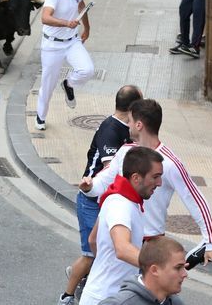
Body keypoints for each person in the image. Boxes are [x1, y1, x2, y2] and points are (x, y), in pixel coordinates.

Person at [85, 99, 212, 273]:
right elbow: (105, 180)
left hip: (150, 244)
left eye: (130, 121)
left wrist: (210, 241)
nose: (128, 125)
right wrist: (90, 187)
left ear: (139, 125)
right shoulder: (125, 151)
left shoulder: (170, 163)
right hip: (122, 238)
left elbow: (195, 199)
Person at [57, 85, 143, 305]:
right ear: (133, 107)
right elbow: (112, 171)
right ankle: (66, 296)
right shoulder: (111, 130)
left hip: (105, 201)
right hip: (91, 201)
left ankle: (85, 281)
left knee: (101, 253)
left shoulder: (128, 128)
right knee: (91, 254)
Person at [78, 146, 164, 305]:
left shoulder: (122, 199)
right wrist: (159, 268)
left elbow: (93, 240)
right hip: (105, 298)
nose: (159, 183)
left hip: (105, 295)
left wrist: (107, 267)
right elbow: (123, 249)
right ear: (136, 178)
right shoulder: (121, 205)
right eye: (155, 177)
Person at [35, 0, 94, 130]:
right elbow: (45, 18)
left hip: (72, 41)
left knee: (87, 69)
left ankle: (69, 84)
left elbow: (82, 8)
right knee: (48, 84)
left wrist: (87, 29)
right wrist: (66, 23)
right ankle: (40, 116)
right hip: (52, 45)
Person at [98, 236, 187, 305]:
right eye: (178, 268)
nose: (184, 274)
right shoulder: (120, 303)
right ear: (154, 270)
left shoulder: (175, 302)